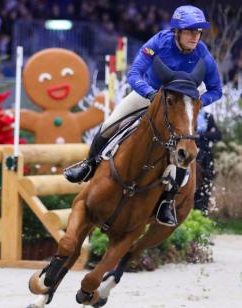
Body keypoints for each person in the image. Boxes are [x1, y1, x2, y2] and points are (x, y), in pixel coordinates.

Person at [64, 5, 222, 226]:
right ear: (177, 31)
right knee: (111, 122)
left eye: (198, 32)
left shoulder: (203, 53)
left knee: (185, 143)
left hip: (180, 105)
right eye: (190, 31)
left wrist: (195, 104)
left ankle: (167, 201)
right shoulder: (159, 42)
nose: (195, 36)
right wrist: (150, 94)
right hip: (149, 93)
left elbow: (217, 90)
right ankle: (89, 164)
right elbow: (134, 73)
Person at [194, 110, 221, 215]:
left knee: (206, 182)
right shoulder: (187, 112)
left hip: (205, 156)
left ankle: (201, 213)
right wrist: (209, 133)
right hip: (190, 153)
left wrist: (201, 134)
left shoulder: (208, 116)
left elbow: (218, 135)